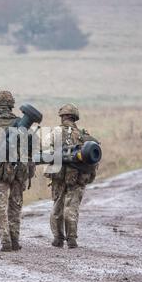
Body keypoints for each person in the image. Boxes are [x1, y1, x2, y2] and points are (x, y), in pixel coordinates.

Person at [0, 91, 34, 252]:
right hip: (19, 171)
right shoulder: (21, 122)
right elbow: (30, 150)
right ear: (11, 105)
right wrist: (28, 171)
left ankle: (6, 241)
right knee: (16, 205)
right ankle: (15, 240)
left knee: (0, 206)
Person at [45, 104, 98, 249]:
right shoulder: (84, 135)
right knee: (71, 208)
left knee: (57, 207)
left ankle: (58, 238)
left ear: (62, 117)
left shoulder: (55, 132)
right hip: (78, 177)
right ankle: (72, 239)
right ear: (75, 117)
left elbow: (45, 153)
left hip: (59, 177)